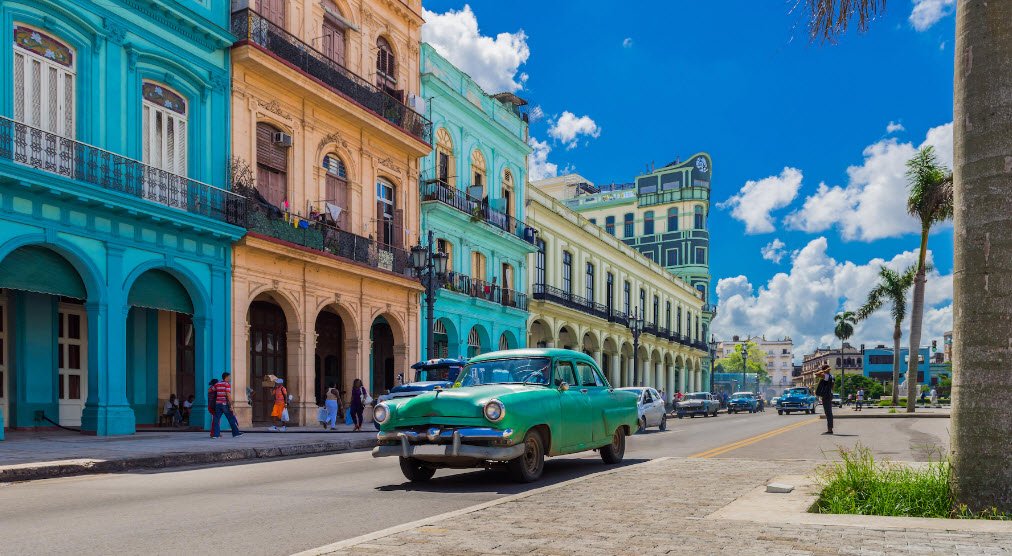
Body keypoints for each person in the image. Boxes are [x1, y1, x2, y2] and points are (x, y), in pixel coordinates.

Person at [211, 372, 243, 439]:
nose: (230, 378)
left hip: (218, 404)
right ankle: (236, 433)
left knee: (216, 419)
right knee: (231, 418)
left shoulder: (217, 384)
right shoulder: (227, 384)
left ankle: (215, 435)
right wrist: (231, 404)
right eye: (229, 377)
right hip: (225, 404)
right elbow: (228, 395)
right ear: (226, 377)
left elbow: (210, 390)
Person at [815, 365, 835, 434]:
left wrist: (824, 371)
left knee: (828, 413)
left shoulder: (826, 376)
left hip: (826, 396)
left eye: (822, 369)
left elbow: (816, 374)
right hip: (829, 395)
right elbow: (833, 387)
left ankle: (830, 429)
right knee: (829, 413)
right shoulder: (832, 376)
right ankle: (830, 428)